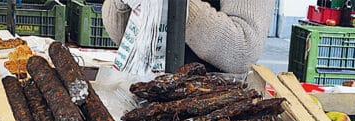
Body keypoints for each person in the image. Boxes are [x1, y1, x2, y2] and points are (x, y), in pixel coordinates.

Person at [102, 0, 275, 74]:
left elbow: (243, 50)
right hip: (145, 86)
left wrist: (180, 7)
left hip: (214, 108)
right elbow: (120, 36)